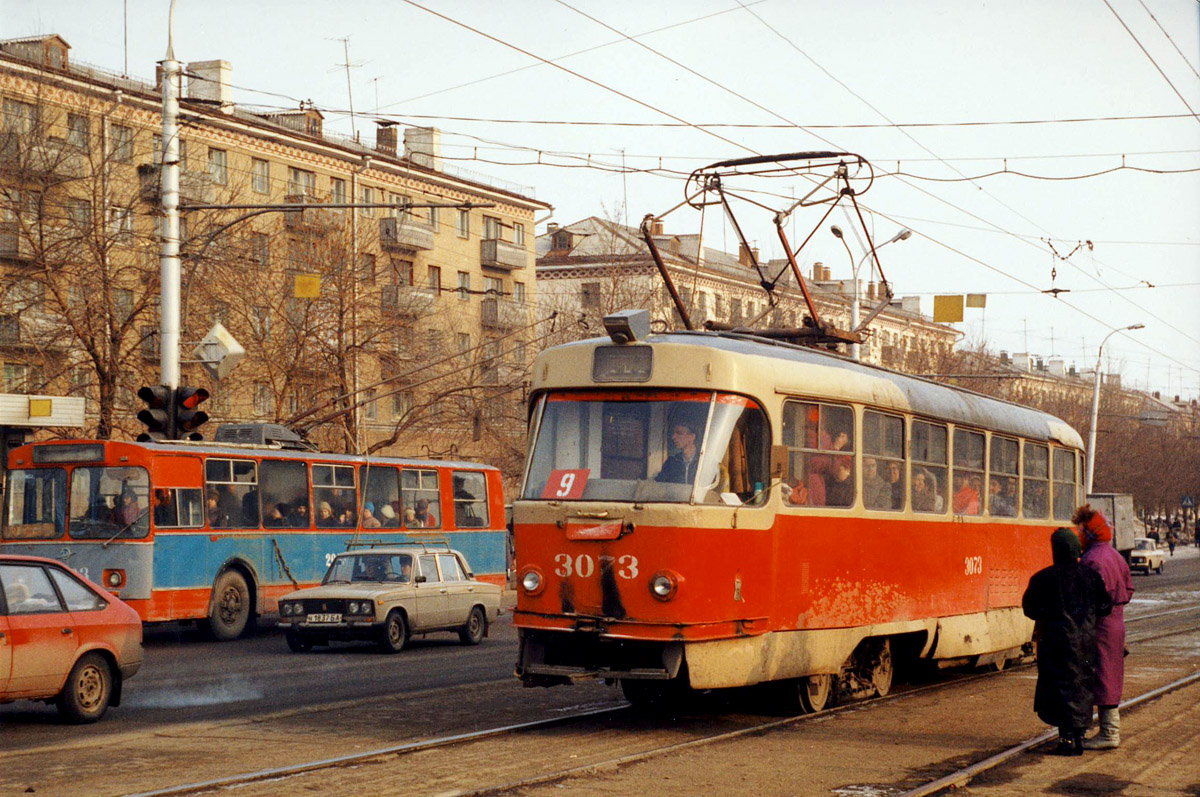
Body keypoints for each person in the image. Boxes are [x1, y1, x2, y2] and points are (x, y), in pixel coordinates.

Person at [1022, 527, 1113, 756]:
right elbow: (1106, 605)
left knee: (1058, 687)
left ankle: (1066, 739)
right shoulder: (1091, 575)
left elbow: (1029, 608)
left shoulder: (1044, 578)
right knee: (1082, 685)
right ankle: (1079, 735)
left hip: (1055, 642)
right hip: (1085, 642)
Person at [1074, 504, 1134, 750]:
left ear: (1090, 532)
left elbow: (1089, 597)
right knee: (1109, 674)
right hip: (1115, 623)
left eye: (1081, 529)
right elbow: (1128, 590)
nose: (1078, 534)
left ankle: (1109, 733)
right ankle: (1108, 730)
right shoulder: (1115, 556)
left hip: (1098, 626)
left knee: (1101, 676)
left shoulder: (1091, 559)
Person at [655, 420, 701, 484]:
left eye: (679, 433)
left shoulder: (703, 461)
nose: (673, 437)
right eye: (673, 434)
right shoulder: (671, 462)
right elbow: (659, 485)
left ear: (692, 437)